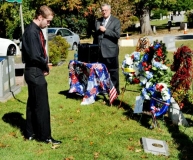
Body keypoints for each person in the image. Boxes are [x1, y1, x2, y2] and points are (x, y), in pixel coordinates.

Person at [22, 5, 62, 144]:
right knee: (42, 106)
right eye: (48, 21)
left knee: (33, 103)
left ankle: (30, 132)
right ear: (40, 17)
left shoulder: (35, 30)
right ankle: (45, 136)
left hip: (33, 70)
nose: (49, 23)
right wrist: (45, 66)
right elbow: (34, 55)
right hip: (34, 71)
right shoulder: (31, 32)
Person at [93, 3, 121, 95]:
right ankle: (104, 89)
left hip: (111, 52)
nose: (104, 12)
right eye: (102, 10)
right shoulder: (98, 21)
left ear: (110, 10)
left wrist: (106, 30)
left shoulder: (116, 21)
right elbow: (95, 36)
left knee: (113, 73)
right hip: (100, 52)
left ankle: (115, 92)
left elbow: (117, 35)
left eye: (106, 10)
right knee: (101, 72)